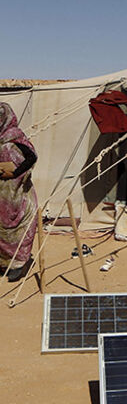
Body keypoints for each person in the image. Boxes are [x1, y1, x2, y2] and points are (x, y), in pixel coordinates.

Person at [0, 102, 38, 282]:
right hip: (2, 194)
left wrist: (15, 173)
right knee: (2, 230)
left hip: (18, 192)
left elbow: (32, 157)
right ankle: (5, 261)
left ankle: (18, 264)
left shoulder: (15, 136)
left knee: (20, 228)